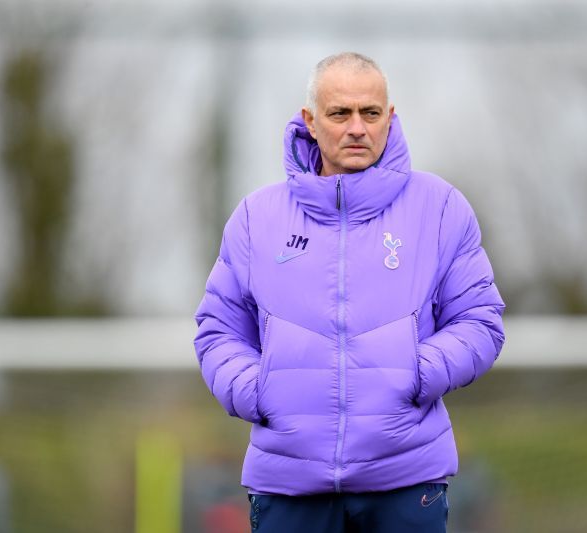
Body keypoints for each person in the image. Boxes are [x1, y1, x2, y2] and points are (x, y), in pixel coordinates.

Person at [193, 52, 505, 533]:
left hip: (406, 480)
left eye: (370, 113)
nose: (357, 127)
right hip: (289, 485)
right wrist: (259, 390)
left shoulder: (440, 208)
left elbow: (480, 322)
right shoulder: (257, 218)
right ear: (311, 122)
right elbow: (218, 331)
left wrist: (416, 373)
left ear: (390, 117)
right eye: (340, 113)